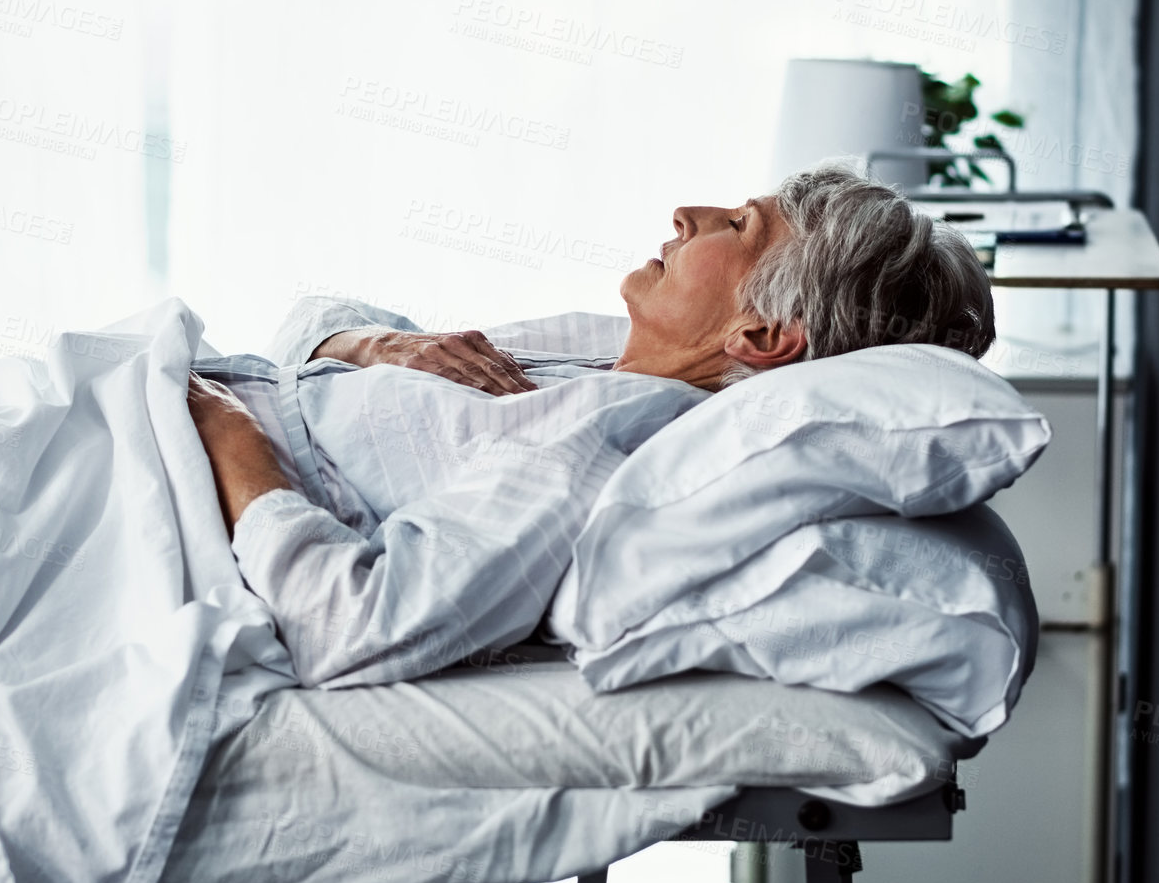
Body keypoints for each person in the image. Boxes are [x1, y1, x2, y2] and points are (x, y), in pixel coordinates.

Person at [184, 161, 997, 687]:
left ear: (760, 335)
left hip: (169, 474)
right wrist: (369, 342)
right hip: (172, 407)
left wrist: (232, 444)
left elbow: (355, 626)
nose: (688, 211)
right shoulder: (609, 353)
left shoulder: (620, 437)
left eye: (740, 225)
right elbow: (302, 333)